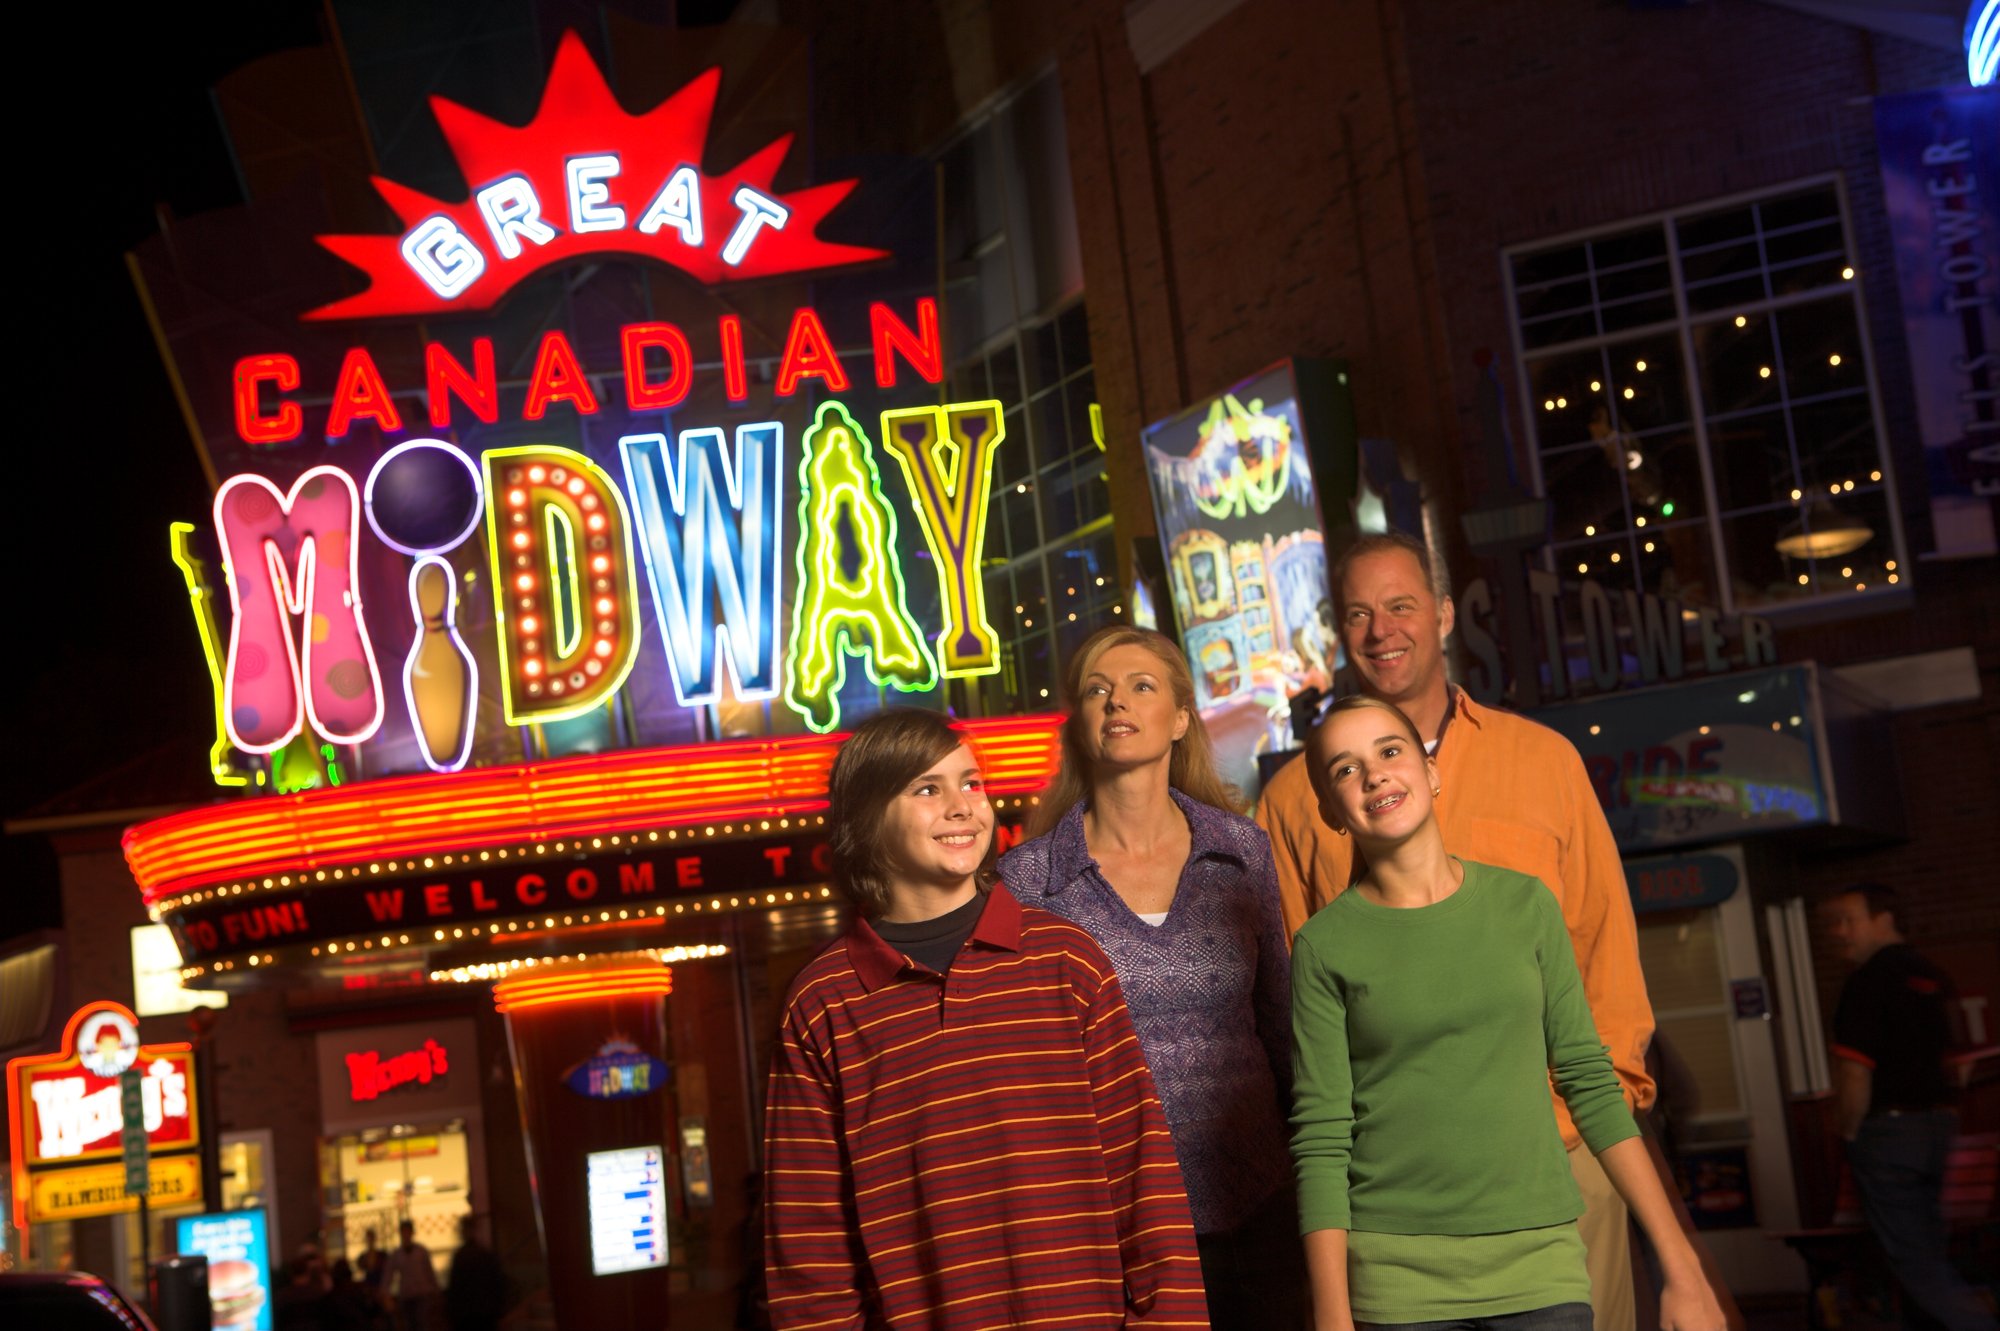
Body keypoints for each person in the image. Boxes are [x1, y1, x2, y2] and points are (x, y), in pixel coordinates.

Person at [1256, 530, 1660, 1329]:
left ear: (1442, 614)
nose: (1382, 630)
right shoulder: (1294, 799)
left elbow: (1603, 939)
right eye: (1360, 613)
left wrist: (1593, 1113)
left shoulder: (1543, 760)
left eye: (1402, 605)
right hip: (1398, 1201)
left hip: (1564, 1154)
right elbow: (1290, 1002)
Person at [763, 707, 1209, 1329]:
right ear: (866, 820)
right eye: (927, 788)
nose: (961, 806)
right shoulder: (823, 1002)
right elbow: (810, 1249)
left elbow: (1145, 1181)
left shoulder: (1067, 960)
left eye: (971, 783)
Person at [1291, 694, 1726, 1331]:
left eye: (1390, 751)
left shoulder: (1526, 906)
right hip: (1397, 1283)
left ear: (1431, 772)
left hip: (1540, 1271)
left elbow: (1590, 1083)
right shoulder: (1324, 945)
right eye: (1345, 769)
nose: (1375, 774)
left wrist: (1683, 1271)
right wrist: (1332, 1315)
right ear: (1332, 811)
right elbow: (1323, 1137)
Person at [1000, 627, 1302, 1330]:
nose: (1116, 702)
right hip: (1113, 1227)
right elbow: (1033, 1073)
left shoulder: (1242, 851)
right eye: (1097, 690)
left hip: (1258, 1205)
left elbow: (1282, 1027)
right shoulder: (1030, 879)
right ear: (1079, 722)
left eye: (1141, 685)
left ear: (1181, 717)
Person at [1824, 884, 1995, 1331]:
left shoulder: (1866, 983)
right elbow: (1956, 1064)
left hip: (1889, 1135)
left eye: (1848, 919)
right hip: (1940, 1128)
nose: (1839, 932)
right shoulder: (1932, 976)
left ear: (1884, 919)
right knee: (1927, 1251)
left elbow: (1855, 1073)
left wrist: (1846, 1130)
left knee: (1914, 1262)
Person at [444, 1214, 507, 1331]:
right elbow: (497, 1283)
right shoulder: (485, 1254)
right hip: (485, 1312)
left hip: (466, 1314)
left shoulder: (461, 1257)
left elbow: (455, 1288)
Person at [380, 1219, 439, 1331]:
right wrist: (385, 1293)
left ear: (412, 1233)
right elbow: (388, 1276)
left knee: (422, 1324)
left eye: (408, 1231)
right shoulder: (397, 1255)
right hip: (407, 1296)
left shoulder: (421, 1252)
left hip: (422, 1294)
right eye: (404, 1232)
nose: (406, 1235)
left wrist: (435, 1291)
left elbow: (429, 1272)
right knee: (410, 1325)